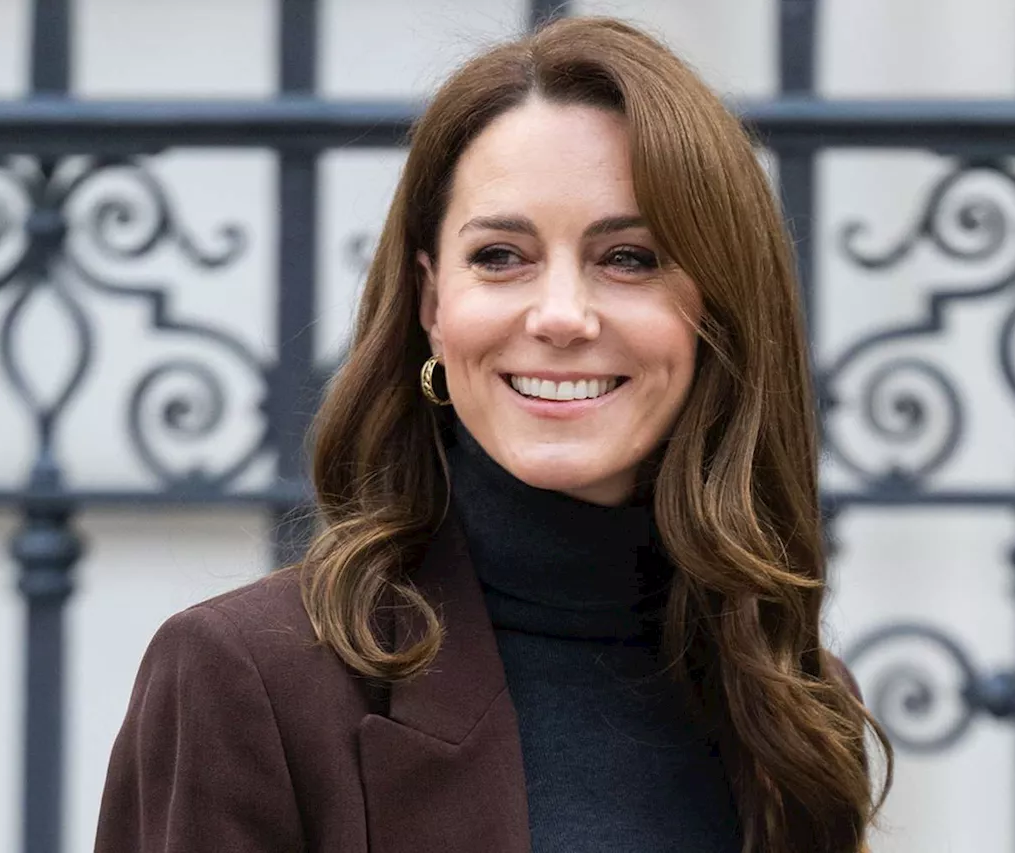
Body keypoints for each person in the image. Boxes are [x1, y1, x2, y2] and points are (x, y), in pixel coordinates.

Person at [94, 15, 891, 853]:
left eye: (629, 257)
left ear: (716, 310)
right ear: (433, 304)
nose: (559, 316)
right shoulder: (246, 677)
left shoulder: (791, 700)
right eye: (502, 256)